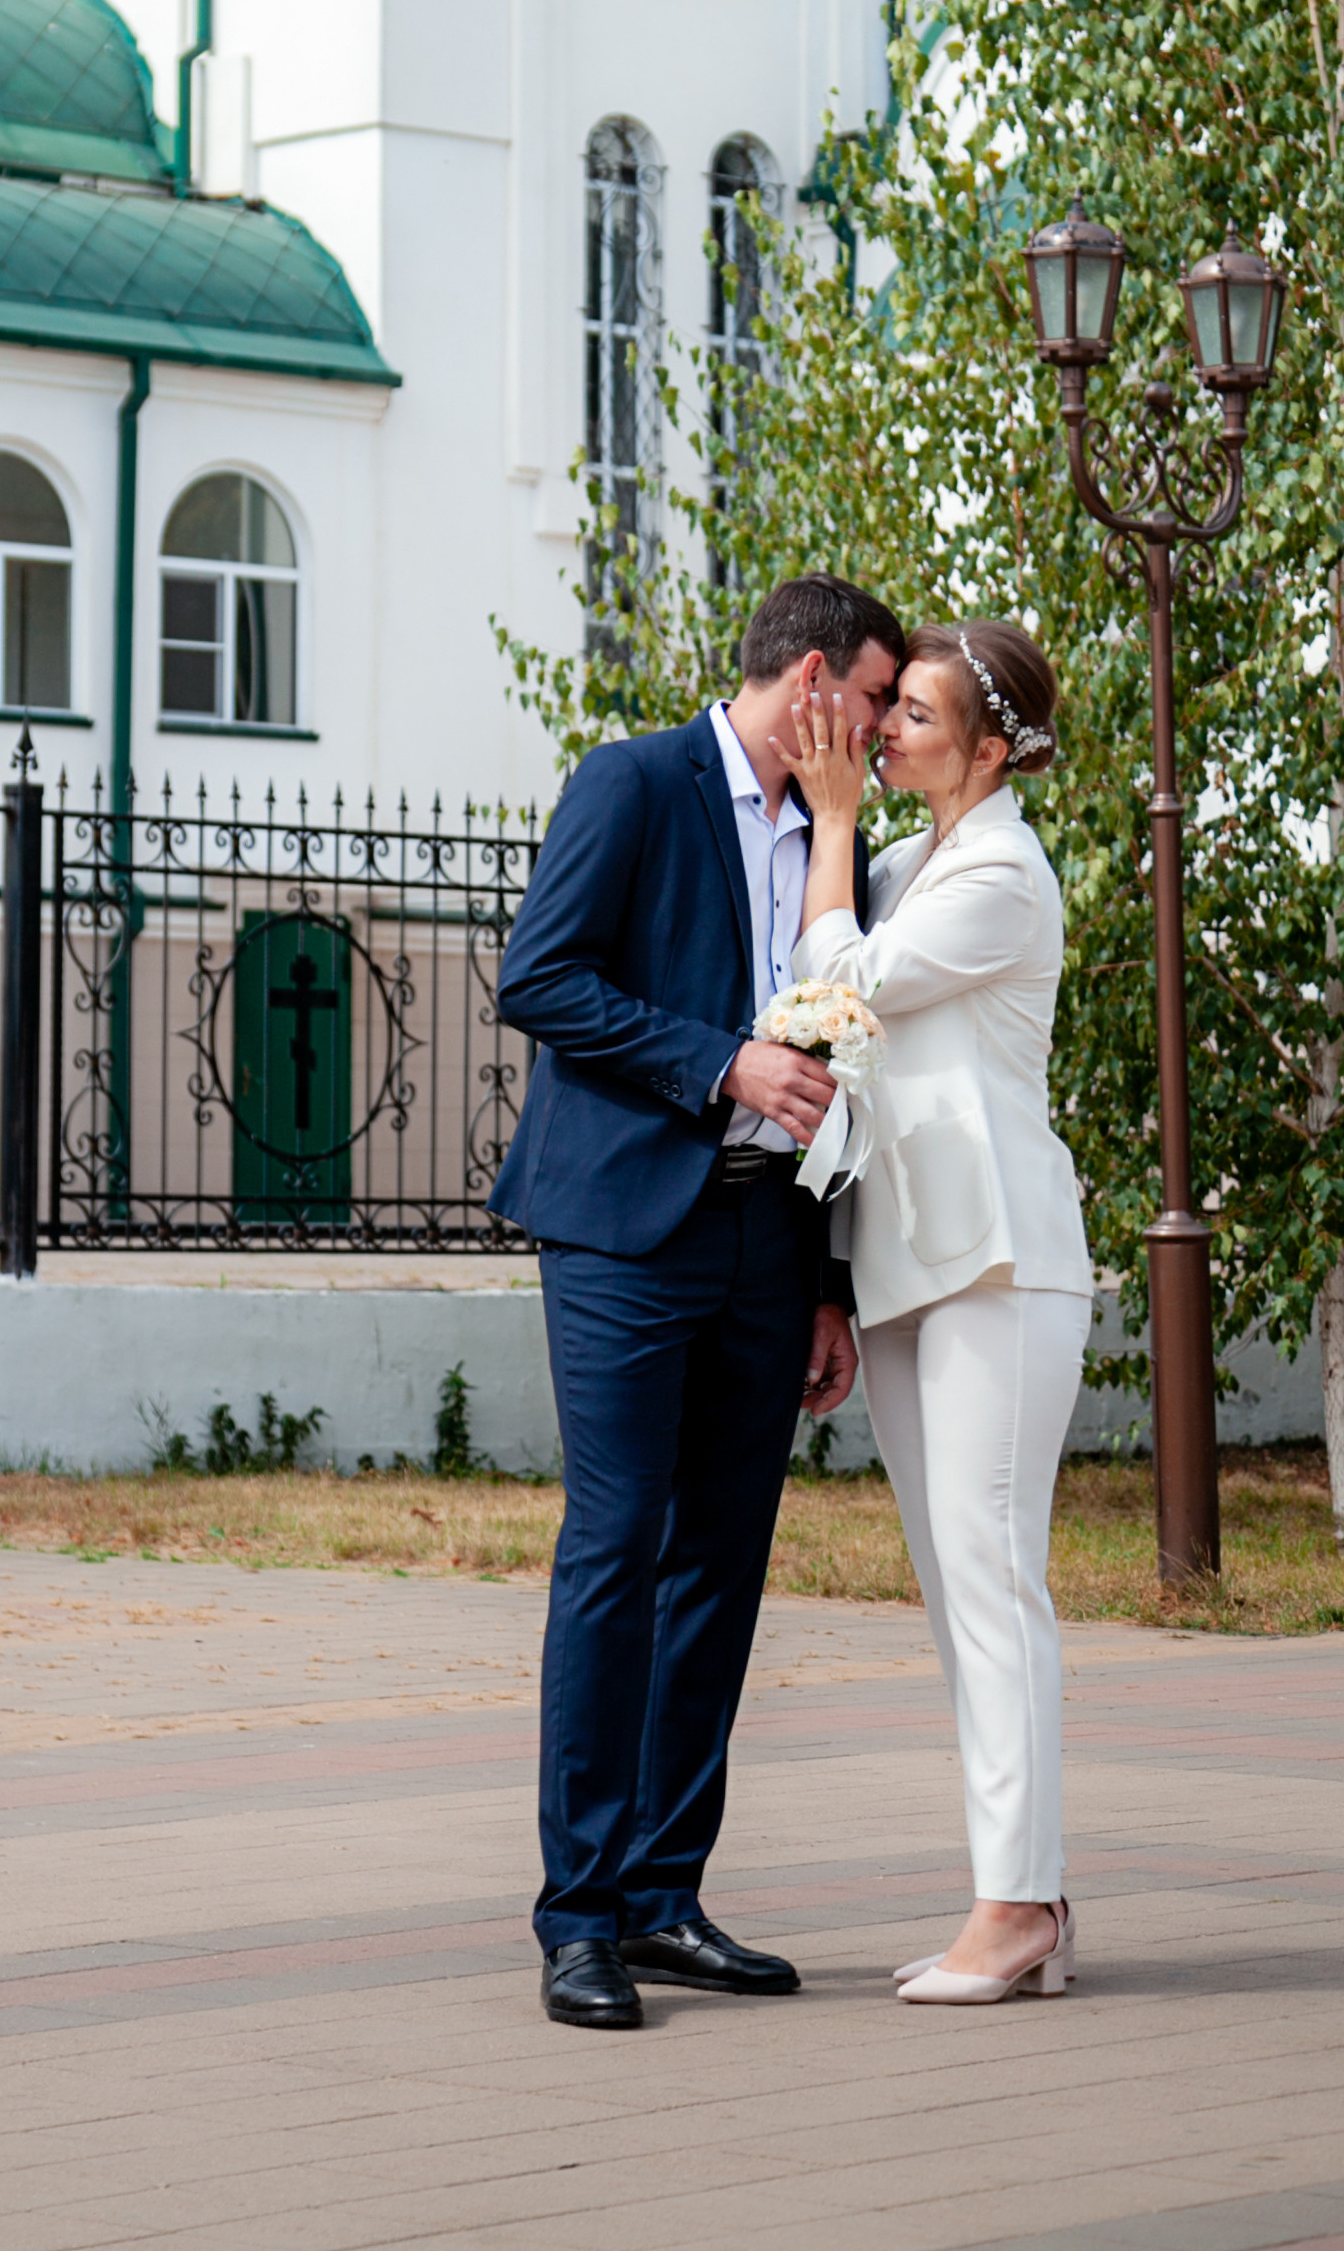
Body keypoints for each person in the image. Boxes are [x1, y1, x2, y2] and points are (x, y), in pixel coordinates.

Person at [491, 573, 907, 2031]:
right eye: (868, 699)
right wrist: (719, 1062)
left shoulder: (832, 842)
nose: (878, 729)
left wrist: (828, 1284)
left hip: (763, 1244)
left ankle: (666, 1893)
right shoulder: (632, 782)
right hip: (619, 1232)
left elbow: (840, 1067)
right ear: (806, 681)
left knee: (721, 1565)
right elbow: (538, 978)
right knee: (614, 1547)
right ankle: (579, 1916)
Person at [786, 618, 1093, 2007]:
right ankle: (1014, 1888)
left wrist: (837, 821)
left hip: (998, 1263)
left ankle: (1014, 1902)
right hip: (908, 1262)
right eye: (886, 704)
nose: (884, 727)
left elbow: (830, 988)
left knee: (991, 1578)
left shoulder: (1002, 874)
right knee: (954, 1586)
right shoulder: (912, 862)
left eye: (913, 712)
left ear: (988, 746)